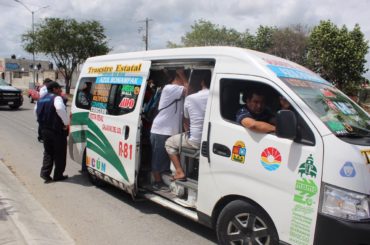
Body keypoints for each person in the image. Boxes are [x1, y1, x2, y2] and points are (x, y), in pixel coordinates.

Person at [165, 71, 211, 181]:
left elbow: (186, 118)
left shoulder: (191, 98)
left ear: (202, 82)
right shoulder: (218, 98)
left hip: (196, 141)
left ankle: (180, 172)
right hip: (212, 140)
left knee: (169, 143)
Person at [150, 69, 188, 191]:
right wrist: (182, 74)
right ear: (177, 77)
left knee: (167, 158)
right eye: (182, 77)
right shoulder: (169, 88)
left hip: (171, 131)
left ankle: (162, 179)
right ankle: (156, 181)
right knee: (158, 157)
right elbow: (188, 89)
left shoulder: (177, 92)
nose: (184, 80)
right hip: (161, 130)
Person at [36, 81, 69, 183]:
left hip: (44, 130)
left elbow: (35, 112)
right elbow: (59, 108)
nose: (61, 90)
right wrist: (66, 123)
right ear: (54, 89)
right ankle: (58, 175)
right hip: (56, 130)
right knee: (60, 153)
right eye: (59, 88)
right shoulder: (56, 98)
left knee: (48, 152)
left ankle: (45, 173)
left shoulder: (41, 99)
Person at [37, 78, 53, 142]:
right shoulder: (43, 89)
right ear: (46, 83)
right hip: (42, 105)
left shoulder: (49, 88)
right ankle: (40, 137)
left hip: (47, 105)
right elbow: (42, 95)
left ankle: (46, 136)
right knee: (41, 123)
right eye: (49, 83)